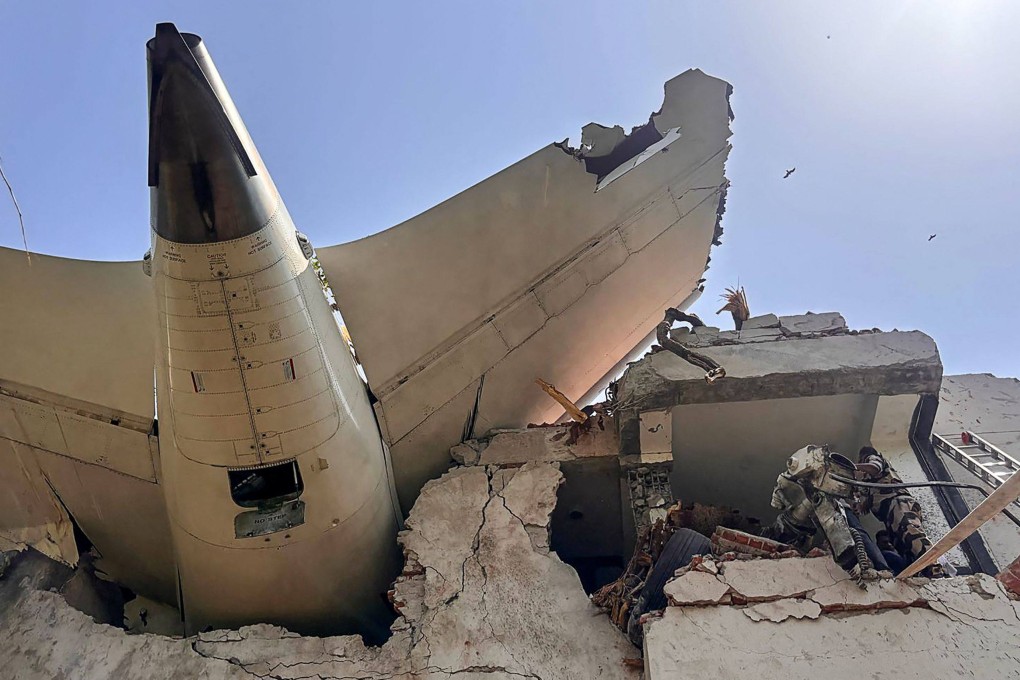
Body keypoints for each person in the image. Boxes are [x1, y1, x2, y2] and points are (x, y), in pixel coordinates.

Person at [856, 446, 942, 577]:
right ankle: (921, 573)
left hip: (897, 502)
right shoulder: (870, 484)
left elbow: (875, 467)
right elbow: (866, 505)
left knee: (910, 533)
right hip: (889, 513)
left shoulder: (873, 458)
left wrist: (853, 467)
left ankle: (934, 567)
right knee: (903, 545)